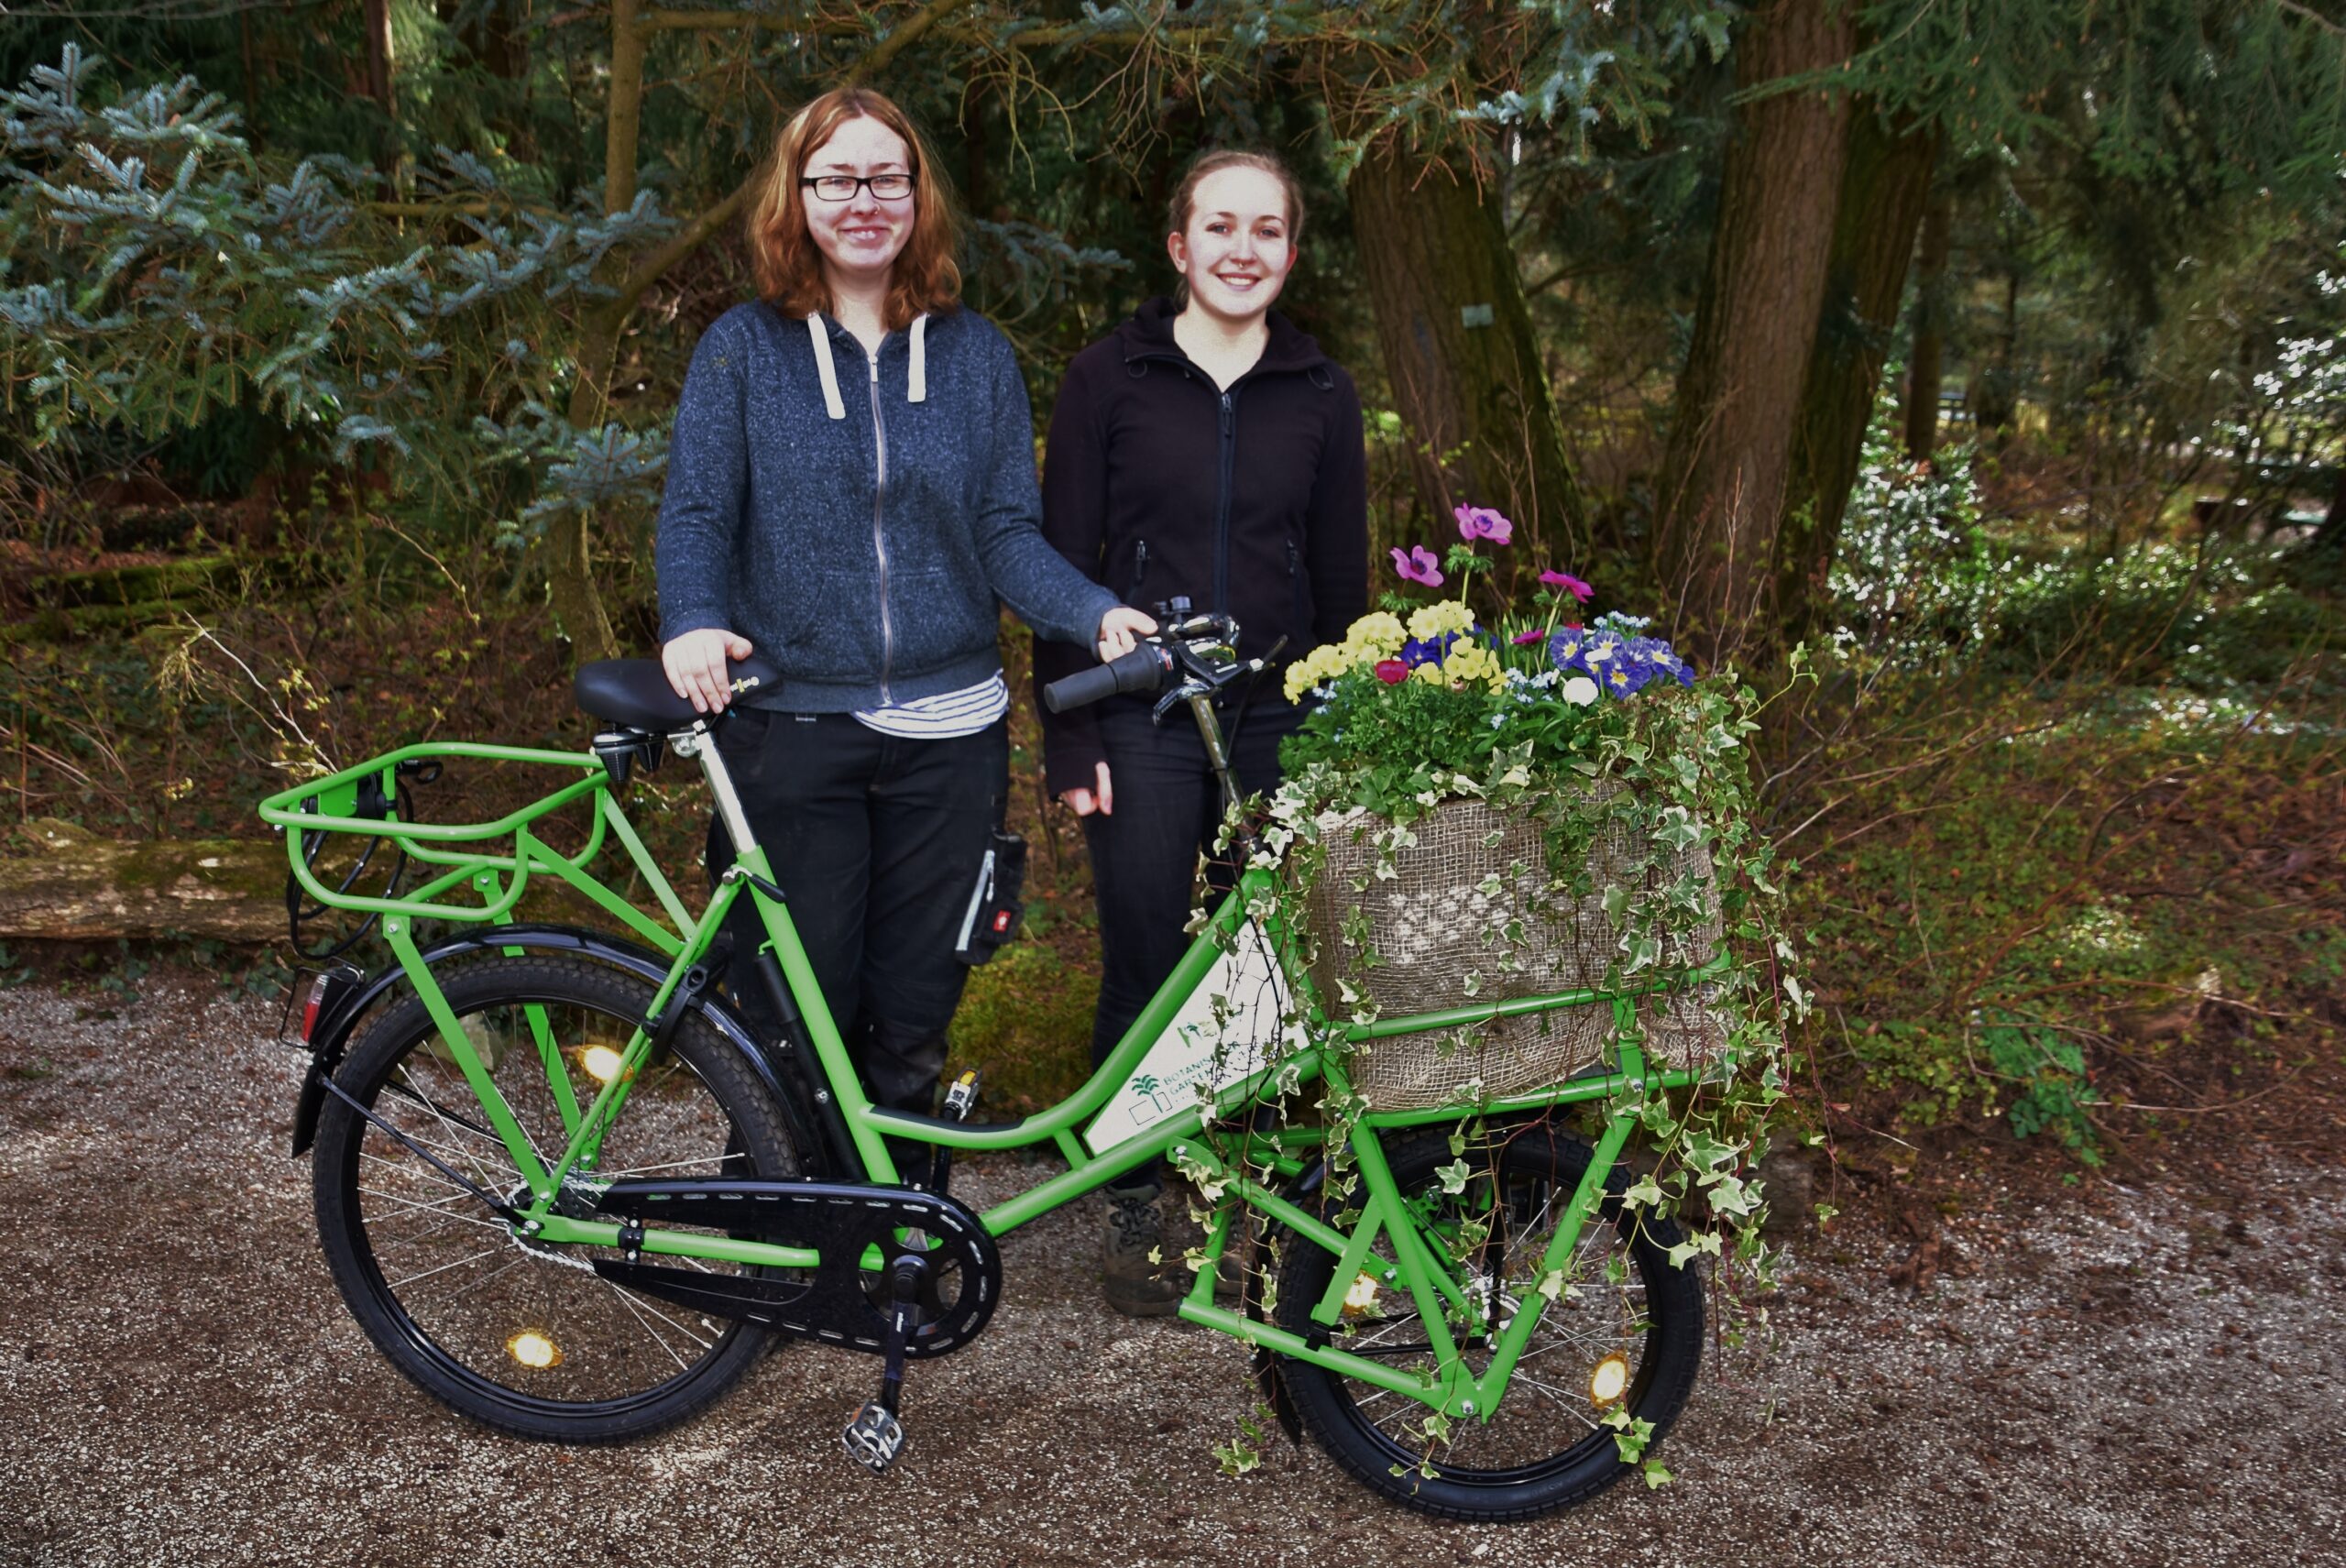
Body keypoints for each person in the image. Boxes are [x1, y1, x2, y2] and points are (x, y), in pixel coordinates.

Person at [655, 86, 1155, 1141]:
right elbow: (699, 510)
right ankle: (783, 1228)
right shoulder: (741, 351)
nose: (864, 200)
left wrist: (1096, 611)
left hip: (950, 739)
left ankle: (883, 1238)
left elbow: (1006, 533)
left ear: (918, 195)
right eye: (837, 179)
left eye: (889, 177)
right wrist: (692, 616)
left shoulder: (974, 358)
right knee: (790, 1012)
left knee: (917, 1013)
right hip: (790, 730)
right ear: (797, 198)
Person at [1034, 148, 1368, 1314]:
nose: (1241, 249)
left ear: (1288, 251)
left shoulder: (1322, 394)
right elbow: (1061, 562)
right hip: (1137, 716)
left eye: (1265, 231)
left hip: (1274, 718)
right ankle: (1142, 1208)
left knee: (1265, 970)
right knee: (1147, 958)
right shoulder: (1106, 379)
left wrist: (1340, 742)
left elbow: (1342, 583)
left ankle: (1248, 1192)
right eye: (1218, 227)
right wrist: (1069, 744)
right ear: (1178, 246)